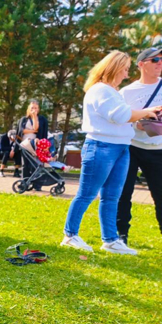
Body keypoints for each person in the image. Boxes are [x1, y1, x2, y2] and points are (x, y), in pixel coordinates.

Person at [61, 50, 162, 255]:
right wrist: (149, 112)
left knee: (112, 197)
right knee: (86, 194)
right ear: (114, 68)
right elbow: (121, 115)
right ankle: (70, 235)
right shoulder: (100, 91)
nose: (126, 75)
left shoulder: (111, 91)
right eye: (124, 70)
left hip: (120, 148)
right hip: (101, 147)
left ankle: (110, 239)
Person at [117, 47, 162, 245]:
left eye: (161, 60)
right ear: (141, 65)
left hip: (158, 149)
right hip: (131, 147)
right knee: (123, 193)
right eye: (156, 60)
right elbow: (118, 119)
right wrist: (137, 122)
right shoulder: (126, 92)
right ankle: (120, 236)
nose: (160, 63)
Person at [16, 99, 49, 186]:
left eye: (36, 108)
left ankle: (37, 184)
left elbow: (41, 131)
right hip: (25, 144)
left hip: (36, 144)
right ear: (28, 109)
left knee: (36, 164)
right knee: (25, 164)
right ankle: (24, 183)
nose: (34, 109)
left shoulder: (42, 119)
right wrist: (32, 130)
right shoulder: (24, 119)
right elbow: (20, 131)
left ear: (38, 109)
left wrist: (34, 117)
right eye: (32, 108)